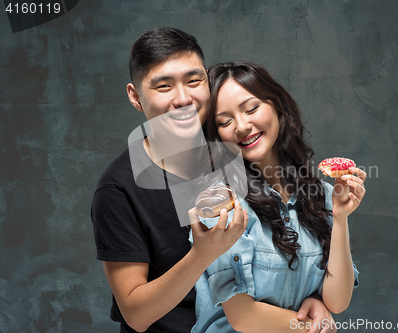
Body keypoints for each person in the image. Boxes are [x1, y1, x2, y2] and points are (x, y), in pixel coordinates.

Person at [91, 28, 339, 333]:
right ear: (135, 96)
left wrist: (313, 296)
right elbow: (136, 315)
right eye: (163, 86)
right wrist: (201, 254)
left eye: (194, 81)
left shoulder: (238, 148)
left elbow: (290, 244)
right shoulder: (118, 189)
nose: (183, 99)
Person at [191, 62, 366, 332]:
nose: (241, 126)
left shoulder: (323, 194)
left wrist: (340, 218)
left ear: (277, 107)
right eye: (224, 121)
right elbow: (243, 316)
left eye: (251, 109)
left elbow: (337, 301)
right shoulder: (219, 204)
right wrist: (312, 326)